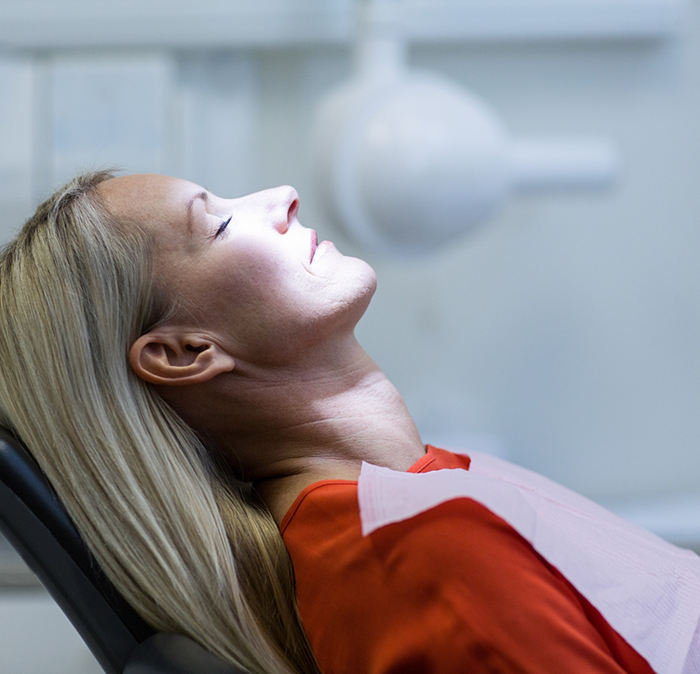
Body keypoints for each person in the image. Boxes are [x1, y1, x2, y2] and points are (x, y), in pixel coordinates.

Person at [0, 171, 697, 674]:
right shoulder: (415, 557)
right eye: (217, 222)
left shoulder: (407, 508)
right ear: (184, 353)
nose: (282, 196)